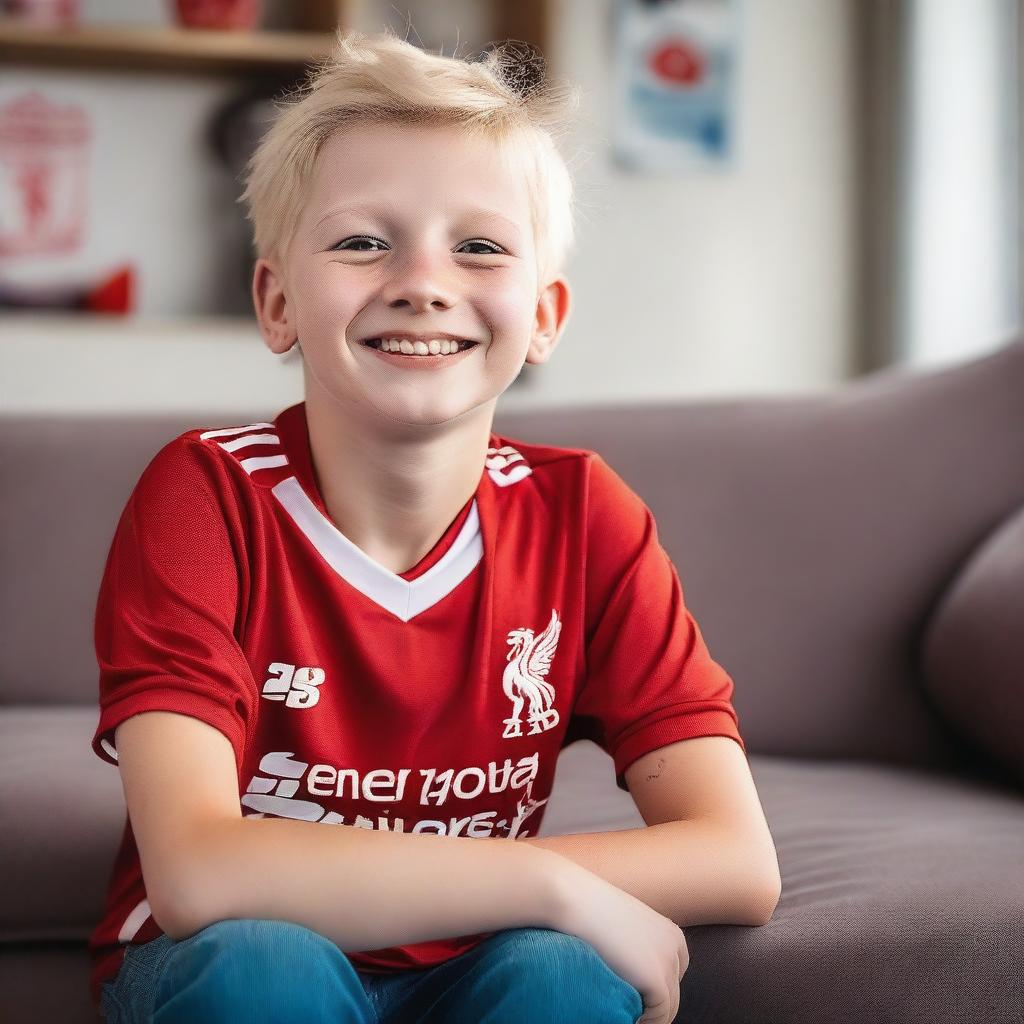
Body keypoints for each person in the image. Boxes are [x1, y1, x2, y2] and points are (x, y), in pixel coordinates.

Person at [89, 26, 775, 1024]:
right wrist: (553, 886)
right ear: (278, 301)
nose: (421, 279)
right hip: (231, 963)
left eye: (480, 245)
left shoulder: (584, 515)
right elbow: (196, 871)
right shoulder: (206, 493)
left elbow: (735, 857)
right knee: (264, 966)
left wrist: (536, 913)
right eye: (363, 240)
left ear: (543, 315)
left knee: (561, 975)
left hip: (476, 964)